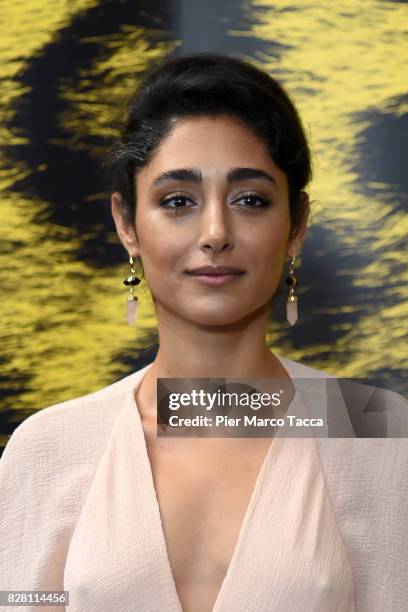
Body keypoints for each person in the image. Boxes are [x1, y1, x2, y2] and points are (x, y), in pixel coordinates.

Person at [0, 52, 407, 612]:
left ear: (297, 225)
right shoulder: (50, 448)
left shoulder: (379, 431)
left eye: (250, 200)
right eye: (177, 201)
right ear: (127, 224)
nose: (215, 232)